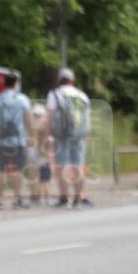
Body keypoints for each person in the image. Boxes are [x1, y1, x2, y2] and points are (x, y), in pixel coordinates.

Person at [46, 68, 92, 208]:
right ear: (72, 80)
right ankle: (78, 197)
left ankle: (64, 198)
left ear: (59, 80)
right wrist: (87, 137)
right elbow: (87, 119)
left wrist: (49, 135)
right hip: (79, 135)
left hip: (61, 135)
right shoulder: (82, 95)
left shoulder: (54, 94)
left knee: (62, 166)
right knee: (78, 166)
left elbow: (50, 115)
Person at [0, 72, 33, 208]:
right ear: (16, 83)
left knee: (1, 169)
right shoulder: (22, 99)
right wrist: (30, 137)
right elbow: (28, 119)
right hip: (17, 140)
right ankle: (17, 199)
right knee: (18, 170)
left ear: (4, 83)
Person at [28, 103, 52, 204]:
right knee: (44, 179)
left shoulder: (30, 124)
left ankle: (35, 196)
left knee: (34, 176)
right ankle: (46, 198)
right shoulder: (45, 126)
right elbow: (48, 143)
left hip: (32, 151)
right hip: (42, 154)